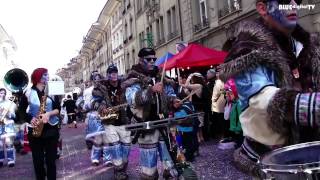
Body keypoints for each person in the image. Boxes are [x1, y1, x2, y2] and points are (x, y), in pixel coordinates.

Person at [218, 0, 320, 177]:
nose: (293, 4)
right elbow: (264, 100)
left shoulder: (309, 45)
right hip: (271, 163)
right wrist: (314, 106)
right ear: (262, 8)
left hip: (311, 154)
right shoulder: (247, 48)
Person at [123, 47, 178, 179]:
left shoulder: (161, 75)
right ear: (141, 60)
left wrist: (173, 101)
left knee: (170, 162)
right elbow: (132, 99)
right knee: (149, 167)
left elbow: (169, 94)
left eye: (154, 59)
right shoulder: (133, 78)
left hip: (163, 123)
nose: (153, 61)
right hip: (146, 125)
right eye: (149, 59)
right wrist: (150, 90)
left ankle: (169, 173)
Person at [17, 68, 60, 180]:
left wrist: (49, 114)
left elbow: (58, 109)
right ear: (38, 77)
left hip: (51, 129)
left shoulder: (51, 90)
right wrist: (30, 118)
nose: (48, 77)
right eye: (45, 75)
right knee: (38, 161)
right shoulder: (28, 92)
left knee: (51, 161)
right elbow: (21, 110)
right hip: (35, 130)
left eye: (47, 74)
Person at [92, 64, 131, 180]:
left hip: (124, 121)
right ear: (108, 75)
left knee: (126, 147)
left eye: (115, 72)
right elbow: (93, 103)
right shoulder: (101, 87)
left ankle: (122, 167)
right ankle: (118, 171)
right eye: (111, 73)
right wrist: (101, 107)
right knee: (115, 147)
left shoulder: (124, 84)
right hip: (110, 122)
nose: (113, 74)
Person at [0, 88, 17, 167]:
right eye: (1, 93)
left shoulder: (9, 103)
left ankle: (11, 160)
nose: (2, 94)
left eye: (3, 93)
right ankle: (1, 159)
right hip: (0, 126)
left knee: (8, 143)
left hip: (8, 125)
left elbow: (14, 116)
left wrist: (8, 113)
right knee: (0, 144)